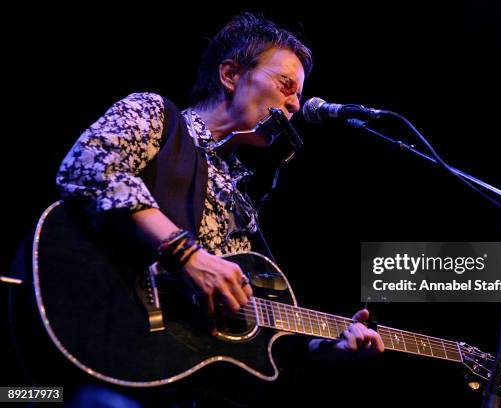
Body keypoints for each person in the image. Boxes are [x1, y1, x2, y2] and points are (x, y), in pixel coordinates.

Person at [55, 12, 383, 403]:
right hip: (102, 330)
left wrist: (327, 349)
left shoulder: (241, 197)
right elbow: (88, 165)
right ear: (230, 75)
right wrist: (186, 254)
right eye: (286, 86)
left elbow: (255, 323)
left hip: (177, 379)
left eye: (298, 94)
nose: (295, 104)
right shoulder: (157, 116)